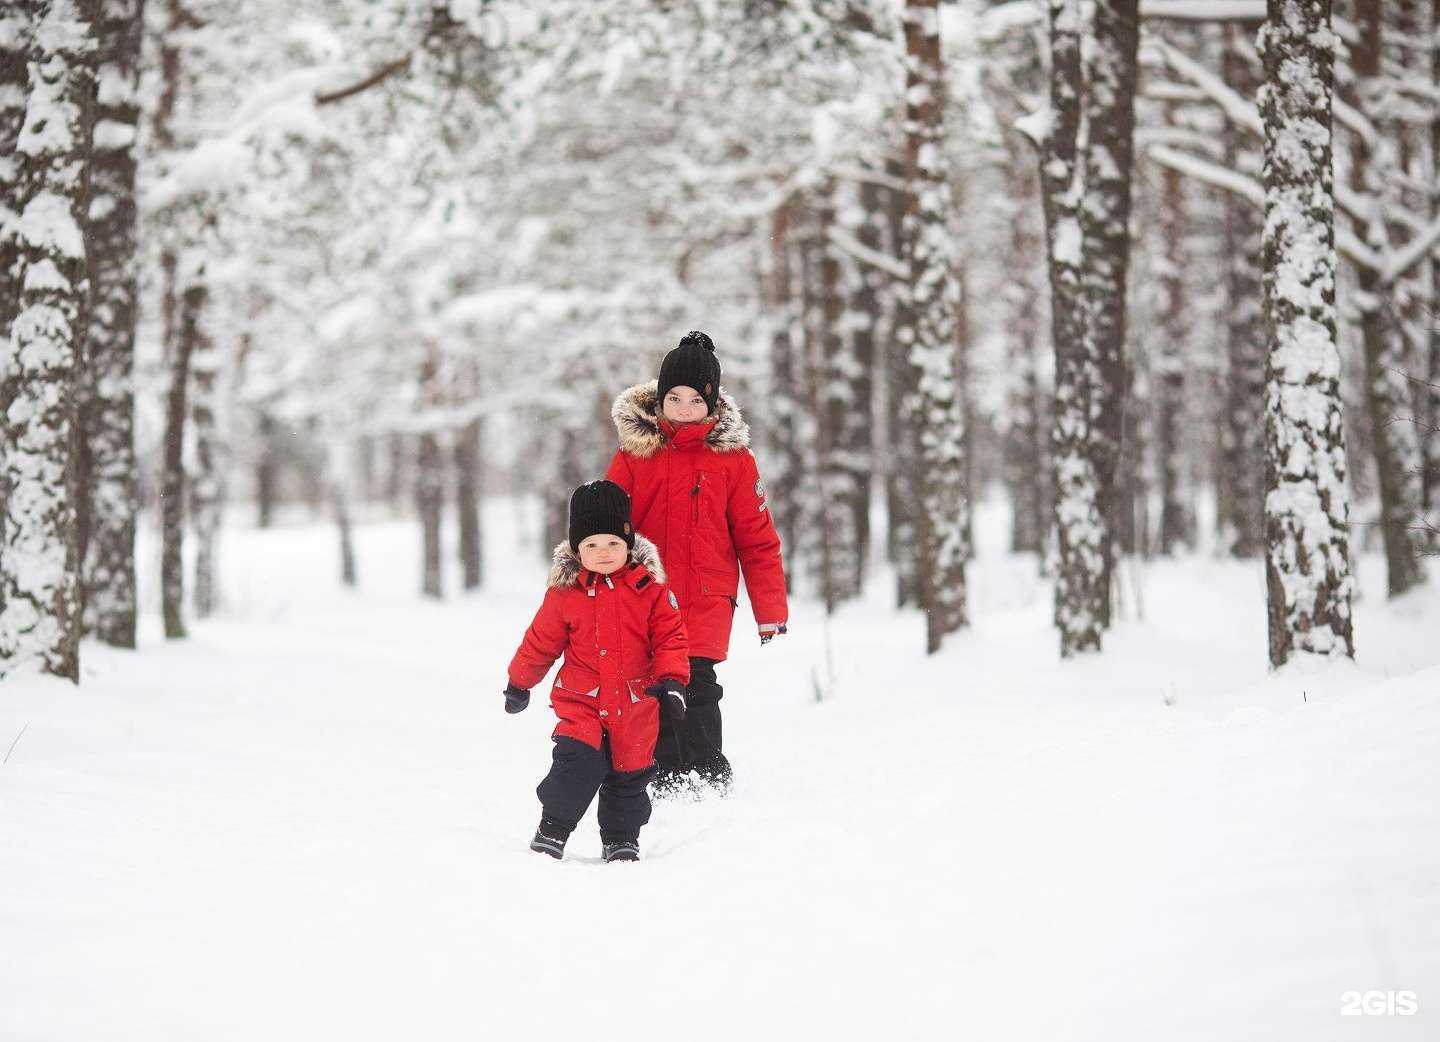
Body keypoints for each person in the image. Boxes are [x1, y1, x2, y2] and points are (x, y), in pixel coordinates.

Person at [605, 330, 788, 795]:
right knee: (656, 686)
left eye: (695, 399)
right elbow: (607, 526)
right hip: (648, 596)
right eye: (674, 398)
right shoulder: (635, 456)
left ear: (713, 405)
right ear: (659, 399)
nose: (684, 409)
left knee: (699, 686)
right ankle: (662, 775)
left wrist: (770, 610)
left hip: (708, 597)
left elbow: (757, 540)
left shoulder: (734, 461)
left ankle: (708, 774)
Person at [504, 480, 689, 862]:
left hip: (637, 700)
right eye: (591, 545)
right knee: (577, 763)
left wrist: (673, 681)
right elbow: (541, 640)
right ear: (576, 549)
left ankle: (621, 837)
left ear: (628, 544)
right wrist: (520, 682)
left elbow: (671, 638)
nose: (603, 553)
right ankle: (552, 829)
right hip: (581, 699)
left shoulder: (651, 591)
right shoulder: (565, 594)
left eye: (612, 544)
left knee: (630, 772)